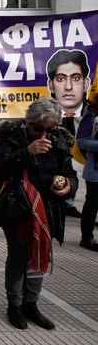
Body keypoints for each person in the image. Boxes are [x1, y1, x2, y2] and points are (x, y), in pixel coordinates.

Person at [0, 97, 77, 330]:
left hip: (48, 208)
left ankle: (31, 304)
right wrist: (27, 151)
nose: (43, 135)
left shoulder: (59, 139)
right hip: (19, 207)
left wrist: (68, 186)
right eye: (38, 129)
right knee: (19, 255)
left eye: (49, 130)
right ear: (28, 122)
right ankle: (14, 305)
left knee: (39, 254)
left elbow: (70, 173)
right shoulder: (11, 135)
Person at [46, 49, 90, 218]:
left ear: (86, 83)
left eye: (76, 78)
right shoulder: (42, 125)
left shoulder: (88, 115)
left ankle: (69, 202)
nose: (69, 86)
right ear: (51, 84)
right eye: (61, 78)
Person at [76, 99, 98, 252]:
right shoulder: (90, 118)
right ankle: (87, 238)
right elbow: (81, 142)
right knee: (92, 205)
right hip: (95, 171)